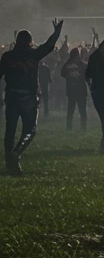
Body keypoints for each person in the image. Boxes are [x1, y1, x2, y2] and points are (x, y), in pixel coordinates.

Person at [1, 20, 63, 175]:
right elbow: (49, 45)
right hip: (29, 97)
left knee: (10, 130)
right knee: (30, 130)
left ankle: (9, 160)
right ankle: (16, 154)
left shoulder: (7, 56)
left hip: (12, 96)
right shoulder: (33, 54)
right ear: (30, 41)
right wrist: (56, 32)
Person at [61, 47, 88, 131]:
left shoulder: (67, 64)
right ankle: (83, 128)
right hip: (81, 90)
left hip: (71, 90)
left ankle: (69, 127)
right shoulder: (82, 64)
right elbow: (87, 73)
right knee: (82, 111)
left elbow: (62, 73)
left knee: (70, 111)